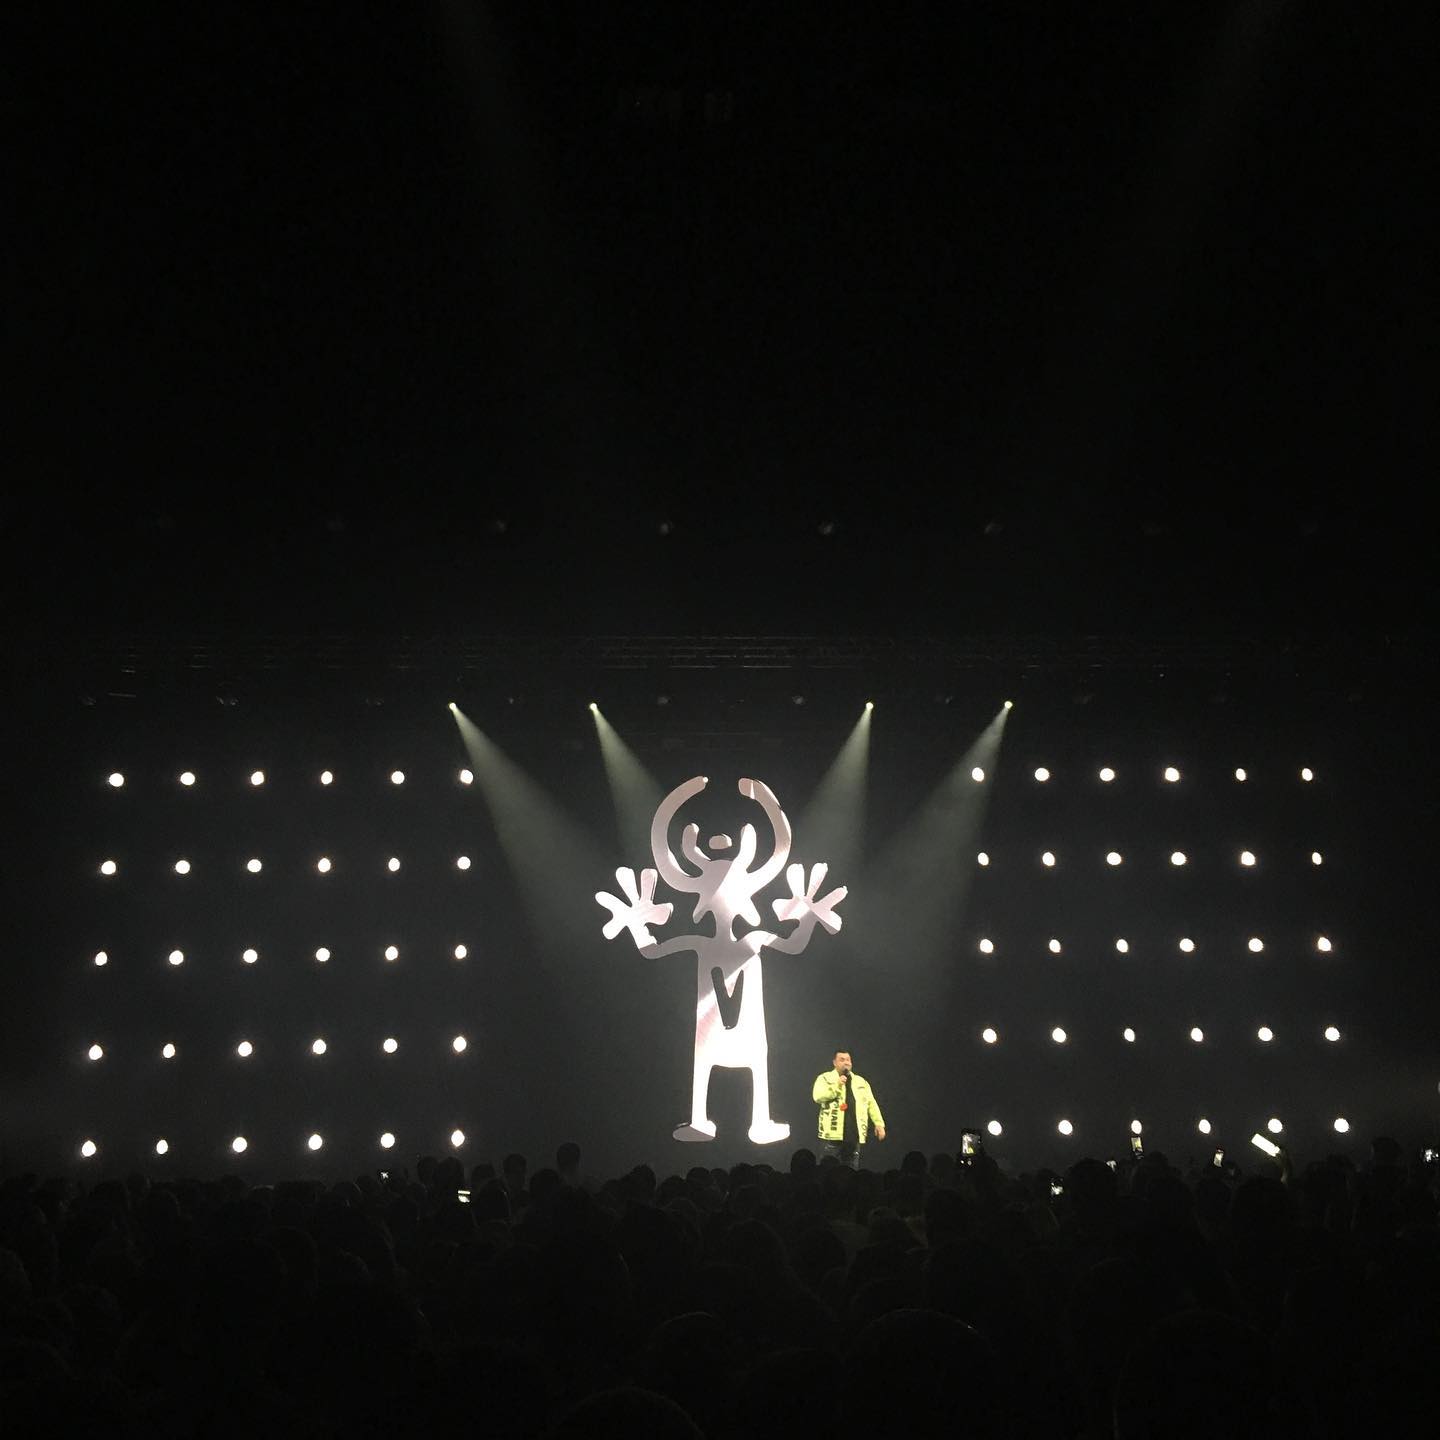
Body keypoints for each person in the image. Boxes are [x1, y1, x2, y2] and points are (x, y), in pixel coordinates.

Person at [812, 1050, 885, 1170]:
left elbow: (871, 1103)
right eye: (842, 1060)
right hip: (832, 1135)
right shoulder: (825, 1078)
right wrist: (837, 1085)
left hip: (853, 1135)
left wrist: (879, 1124)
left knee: (851, 1171)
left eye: (848, 1060)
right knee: (827, 1170)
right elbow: (818, 1096)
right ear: (834, 1062)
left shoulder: (861, 1082)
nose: (846, 1062)